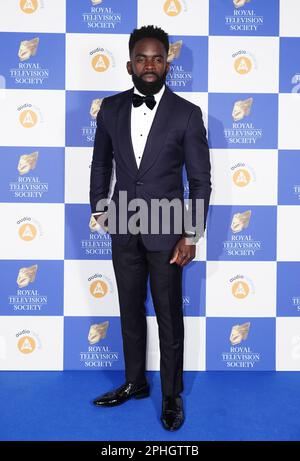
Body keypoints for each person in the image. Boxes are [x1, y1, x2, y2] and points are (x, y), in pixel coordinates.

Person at [89, 25, 211, 431]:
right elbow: (101, 166)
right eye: (141, 58)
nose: (149, 65)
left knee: (168, 316)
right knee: (128, 311)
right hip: (123, 227)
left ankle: (172, 395)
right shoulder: (109, 109)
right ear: (129, 64)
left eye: (157, 58)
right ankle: (135, 382)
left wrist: (190, 235)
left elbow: (199, 181)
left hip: (167, 233)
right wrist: (101, 211)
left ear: (167, 64)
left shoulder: (187, 114)